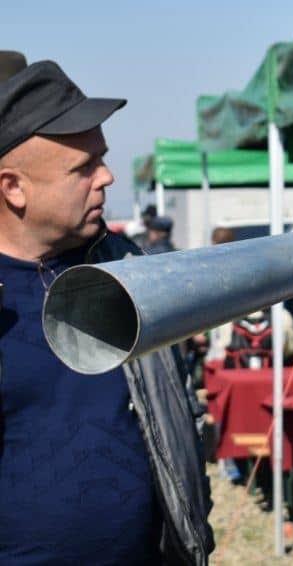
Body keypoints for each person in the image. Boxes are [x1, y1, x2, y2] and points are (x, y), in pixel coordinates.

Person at [0, 61, 213, 563]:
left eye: (103, 158)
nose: (108, 177)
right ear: (14, 187)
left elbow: (176, 417)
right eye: (83, 168)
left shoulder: (129, 270)